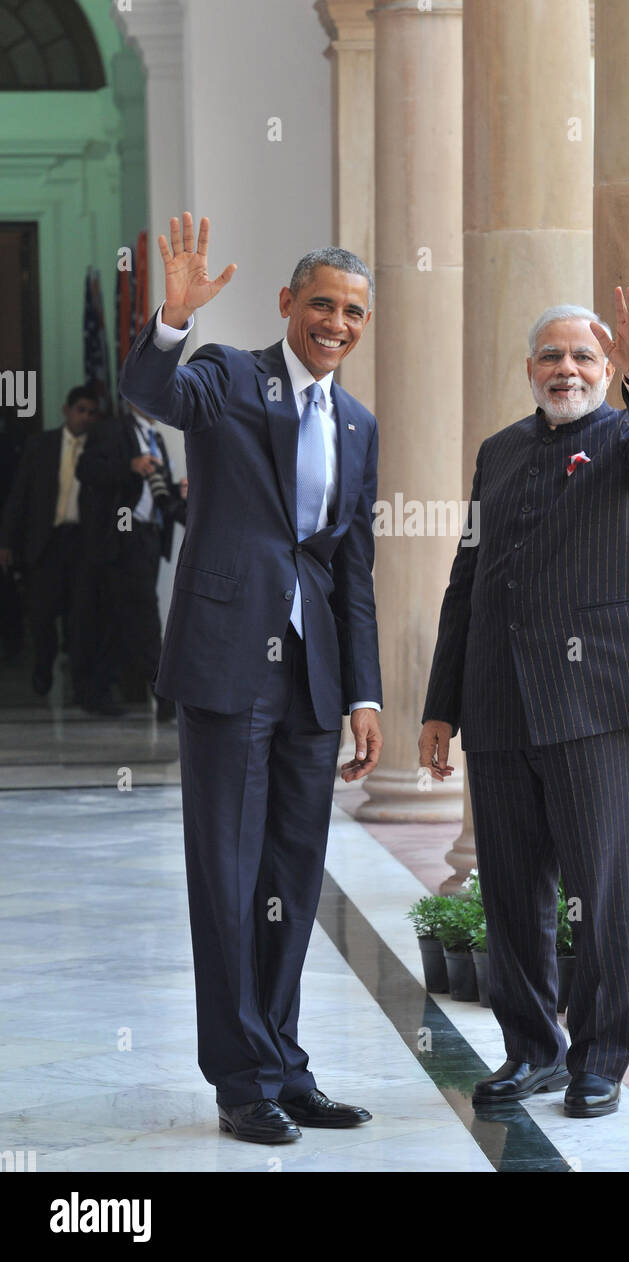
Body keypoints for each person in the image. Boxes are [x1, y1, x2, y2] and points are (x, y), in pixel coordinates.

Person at [119, 212, 383, 1145]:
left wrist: (365, 692)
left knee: (290, 881)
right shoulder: (230, 376)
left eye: (352, 311)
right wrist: (173, 322)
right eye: (321, 304)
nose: (336, 323)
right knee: (227, 879)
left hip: (313, 681)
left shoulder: (357, 422)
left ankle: (284, 1063)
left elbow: (352, 568)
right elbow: (152, 391)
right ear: (287, 305)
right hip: (230, 668)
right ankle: (239, 1080)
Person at [419, 287, 629, 1119]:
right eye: (550, 355)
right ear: (528, 369)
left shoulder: (624, 441)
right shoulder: (497, 451)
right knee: (508, 889)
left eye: (583, 356)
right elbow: (465, 581)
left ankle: (600, 1059)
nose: (564, 368)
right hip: (497, 701)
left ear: (606, 370)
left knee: (595, 888)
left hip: (592, 700)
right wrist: (441, 706)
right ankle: (531, 1052)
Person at [76, 400, 187, 719]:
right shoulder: (111, 430)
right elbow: (87, 470)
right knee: (144, 613)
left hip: (150, 536)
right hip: (121, 536)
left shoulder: (157, 438)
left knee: (119, 615)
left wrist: (185, 500)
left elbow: (161, 495)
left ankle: (96, 690)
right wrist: (129, 465)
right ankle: (165, 695)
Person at [0, 385, 99, 700]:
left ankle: (80, 678)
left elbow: (117, 502)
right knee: (41, 614)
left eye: (91, 412)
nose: (85, 417)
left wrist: (121, 532)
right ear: (67, 410)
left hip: (83, 542)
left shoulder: (100, 448)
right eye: (80, 410)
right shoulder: (40, 445)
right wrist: (7, 541)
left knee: (81, 614)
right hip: (47, 541)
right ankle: (43, 667)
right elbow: (20, 496)